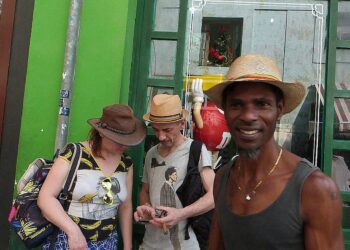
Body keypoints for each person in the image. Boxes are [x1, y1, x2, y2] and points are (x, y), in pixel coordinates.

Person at [204, 54, 344, 250]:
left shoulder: (315, 189)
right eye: (237, 104)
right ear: (225, 111)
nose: (248, 116)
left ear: (279, 110)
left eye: (262, 104)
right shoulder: (223, 179)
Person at [38, 104, 146, 250]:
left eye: (127, 141)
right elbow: (45, 198)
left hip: (107, 243)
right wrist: (73, 232)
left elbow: (125, 206)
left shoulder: (126, 163)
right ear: (101, 133)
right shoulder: (74, 153)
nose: (123, 145)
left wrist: (127, 246)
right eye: (117, 139)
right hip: (69, 241)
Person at [134, 94, 215, 250]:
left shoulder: (196, 150)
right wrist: (146, 207)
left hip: (184, 244)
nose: (161, 136)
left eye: (167, 130)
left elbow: (214, 195)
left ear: (181, 124)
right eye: (155, 130)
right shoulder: (151, 153)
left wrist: (181, 214)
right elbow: (145, 190)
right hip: (150, 243)